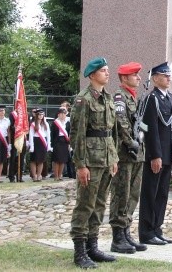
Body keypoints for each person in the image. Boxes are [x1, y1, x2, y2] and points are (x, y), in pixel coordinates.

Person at [69, 57, 119, 268]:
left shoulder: (107, 98)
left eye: (107, 70)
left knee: (99, 205)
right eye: (103, 71)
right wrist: (81, 165)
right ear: (92, 75)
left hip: (106, 159)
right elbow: (77, 134)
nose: (107, 73)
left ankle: (93, 246)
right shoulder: (84, 99)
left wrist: (114, 157)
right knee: (85, 205)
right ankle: (80, 252)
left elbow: (112, 132)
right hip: (90, 160)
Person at [138, 62, 172, 246]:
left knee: (162, 193)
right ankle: (146, 232)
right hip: (156, 155)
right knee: (150, 193)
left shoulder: (170, 97)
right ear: (155, 78)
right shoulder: (151, 98)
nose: (168, 78)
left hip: (168, 153)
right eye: (165, 75)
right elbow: (151, 129)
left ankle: (157, 228)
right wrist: (155, 155)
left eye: (169, 75)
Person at [109, 62, 147, 254]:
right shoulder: (119, 97)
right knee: (121, 194)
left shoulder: (134, 98)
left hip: (138, 153)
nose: (138, 78)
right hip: (125, 153)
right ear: (124, 78)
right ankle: (117, 237)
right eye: (135, 75)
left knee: (133, 194)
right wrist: (130, 142)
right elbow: (122, 122)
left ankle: (126, 232)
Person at [28, 109, 50, 182]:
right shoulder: (33, 124)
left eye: (42, 114)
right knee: (33, 160)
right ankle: (34, 176)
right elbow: (31, 135)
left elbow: (48, 135)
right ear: (37, 115)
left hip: (43, 142)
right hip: (36, 141)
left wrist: (48, 145)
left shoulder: (45, 124)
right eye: (39, 114)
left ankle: (39, 175)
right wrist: (32, 146)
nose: (41, 116)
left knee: (41, 160)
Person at [50, 107, 71, 181]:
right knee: (56, 159)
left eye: (64, 114)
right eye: (61, 114)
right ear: (58, 114)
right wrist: (51, 145)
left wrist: (69, 144)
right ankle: (56, 176)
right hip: (57, 141)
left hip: (64, 141)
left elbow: (69, 133)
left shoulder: (67, 123)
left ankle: (60, 175)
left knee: (63, 159)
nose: (63, 115)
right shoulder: (55, 123)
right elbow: (52, 134)